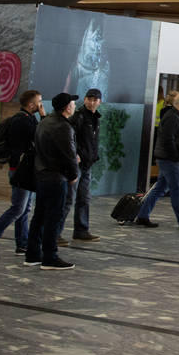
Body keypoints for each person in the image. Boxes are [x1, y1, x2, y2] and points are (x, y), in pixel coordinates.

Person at [0, 89, 42, 260]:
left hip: (25, 170)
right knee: (17, 209)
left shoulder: (29, 119)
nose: (41, 105)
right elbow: (32, 142)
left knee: (25, 209)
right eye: (39, 102)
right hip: (20, 171)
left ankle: (22, 244)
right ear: (31, 104)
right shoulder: (22, 122)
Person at [24, 93, 79, 270]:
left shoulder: (44, 122)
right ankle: (50, 257)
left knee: (39, 216)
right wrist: (73, 175)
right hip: (56, 178)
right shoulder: (63, 127)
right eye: (72, 103)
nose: (74, 106)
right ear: (67, 108)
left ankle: (32, 255)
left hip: (41, 175)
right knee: (53, 219)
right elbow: (69, 156)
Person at [134, 93, 179, 230]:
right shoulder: (173, 118)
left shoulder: (173, 116)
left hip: (168, 159)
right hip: (170, 160)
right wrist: (177, 156)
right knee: (177, 190)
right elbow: (169, 140)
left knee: (159, 188)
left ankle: (142, 215)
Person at [63, 88, 103, 243]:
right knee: (68, 199)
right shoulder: (78, 117)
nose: (92, 102)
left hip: (88, 164)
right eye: (89, 99)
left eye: (95, 100)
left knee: (84, 198)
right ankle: (56, 232)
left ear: (99, 102)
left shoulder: (96, 118)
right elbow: (69, 137)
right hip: (77, 164)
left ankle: (81, 230)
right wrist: (75, 155)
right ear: (85, 100)